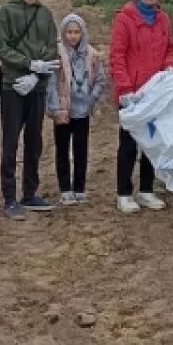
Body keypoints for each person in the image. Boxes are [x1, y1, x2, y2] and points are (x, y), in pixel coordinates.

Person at [0, 0, 60, 219]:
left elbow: (52, 47)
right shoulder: (7, 12)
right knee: (10, 142)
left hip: (37, 87)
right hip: (13, 86)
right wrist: (27, 65)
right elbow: (1, 47)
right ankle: (9, 197)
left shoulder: (45, 14)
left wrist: (37, 75)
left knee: (34, 141)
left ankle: (30, 192)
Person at [110, 0, 173, 215]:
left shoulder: (164, 19)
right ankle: (124, 192)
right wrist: (125, 88)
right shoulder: (125, 18)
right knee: (128, 143)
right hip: (133, 92)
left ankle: (147, 190)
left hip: (156, 91)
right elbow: (117, 55)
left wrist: (169, 64)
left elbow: (170, 46)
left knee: (153, 142)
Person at [46, 13, 106, 207]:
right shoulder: (56, 54)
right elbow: (51, 83)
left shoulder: (92, 54)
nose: (73, 36)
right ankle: (65, 189)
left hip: (83, 111)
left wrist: (91, 99)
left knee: (81, 151)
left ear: (83, 33)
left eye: (76, 32)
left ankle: (79, 188)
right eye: (69, 32)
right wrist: (55, 109)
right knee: (62, 150)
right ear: (63, 33)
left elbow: (101, 80)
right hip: (63, 111)